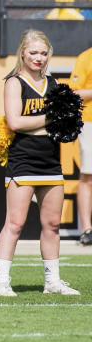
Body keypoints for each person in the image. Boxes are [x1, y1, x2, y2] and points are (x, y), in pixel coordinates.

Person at [0, 29, 80, 296]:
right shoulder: (14, 82)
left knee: (52, 225)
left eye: (43, 53)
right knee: (15, 223)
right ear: (23, 53)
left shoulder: (53, 84)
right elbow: (15, 122)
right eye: (33, 53)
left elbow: (64, 126)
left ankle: (52, 282)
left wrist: (48, 124)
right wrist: (51, 119)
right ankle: (1, 282)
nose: (38, 58)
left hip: (51, 162)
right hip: (23, 161)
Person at [68, 45, 92, 245]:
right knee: (88, 176)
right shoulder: (86, 57)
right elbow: (74, 93)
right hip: (90, 121)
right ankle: (87, 230)